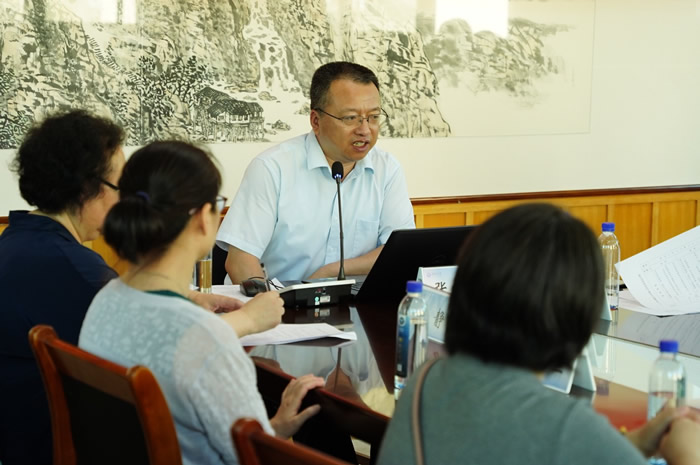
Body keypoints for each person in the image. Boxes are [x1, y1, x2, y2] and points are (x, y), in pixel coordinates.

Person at [0, 110, 250, 465]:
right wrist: (249, 320)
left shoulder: (21, 241)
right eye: (121, 188)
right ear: (87, 188)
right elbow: (172, 347)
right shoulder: (75, 269)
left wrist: (188, 297)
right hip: (52, 444)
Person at [377, 203, 700, 465]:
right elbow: (572, 443)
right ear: (577, 317)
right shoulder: (567, 425)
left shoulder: (426, 379)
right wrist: (688, 456)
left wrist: (637, 443)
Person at [79, 140, 325, 465]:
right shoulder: (207, 339)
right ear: (202, 218)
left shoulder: (104, 300)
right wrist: (271, 434)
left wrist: (273, 429)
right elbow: (254, 455)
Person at [216, 61, 415, 283]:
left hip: (354, 300)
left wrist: (332, 271)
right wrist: (268, 303)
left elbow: (399, 250)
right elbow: (240, 261)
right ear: (315, 120)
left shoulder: (387, 170)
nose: (365, 130)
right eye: (350, 118)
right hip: (277, 299)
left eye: (374, 117)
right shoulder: (272, 168)